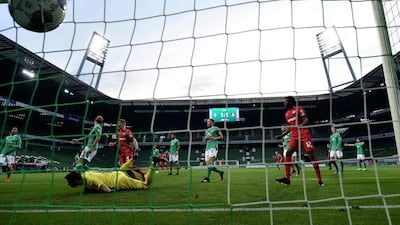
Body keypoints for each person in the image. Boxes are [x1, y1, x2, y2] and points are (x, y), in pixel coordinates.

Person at [275, 96, 324, 186]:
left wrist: (300, 126)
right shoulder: (287, 114)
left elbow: (306, 120)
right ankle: (287, 178)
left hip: (304, 134)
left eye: (285, 101)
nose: (284, 103)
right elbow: (290, 128)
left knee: (311, 156)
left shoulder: (299, 109)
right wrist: (281, 135)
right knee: (288, 153)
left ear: (290, 102)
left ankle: (320, 180)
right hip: (294, 136)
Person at [65, 159, 154, 193]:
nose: (69, 184)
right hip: (115, 174)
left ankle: (153, 164)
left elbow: (106, 189)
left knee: (146, 185)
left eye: (70, 182)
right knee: (121, 170)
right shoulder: (85, 175)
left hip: (119, 181)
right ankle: (131, 159)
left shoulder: (89, 178)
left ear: (76, 180)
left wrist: (103, 190)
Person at [201, 118, 224, 183]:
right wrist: (206, 137)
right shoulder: (207, 130)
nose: (207, 123)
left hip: (213, 147)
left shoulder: (216, 128)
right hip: (207, 148)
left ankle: (207, 178)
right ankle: (220, 172)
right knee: (208, 164)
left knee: (209, 162)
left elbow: (221, 137)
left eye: (209, 121)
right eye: (207, 121)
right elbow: (205, 138)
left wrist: (214, 138)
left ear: (213, 122)